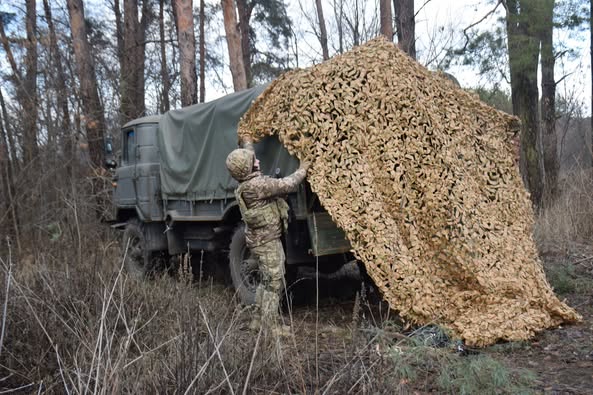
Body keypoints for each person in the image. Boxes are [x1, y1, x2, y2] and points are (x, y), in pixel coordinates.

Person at [225, 140, 309, 335]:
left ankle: (257, 319)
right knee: (274, 281)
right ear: (247, 168)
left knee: (265, 279)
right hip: (268, 242)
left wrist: (247, 142)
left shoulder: (246, 185)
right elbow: (287, 184)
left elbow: (248, 159)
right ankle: (271, 327)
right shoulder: (258, 186)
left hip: (258, 241)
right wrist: (303, 169)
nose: (258, 161)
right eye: (254, 161)